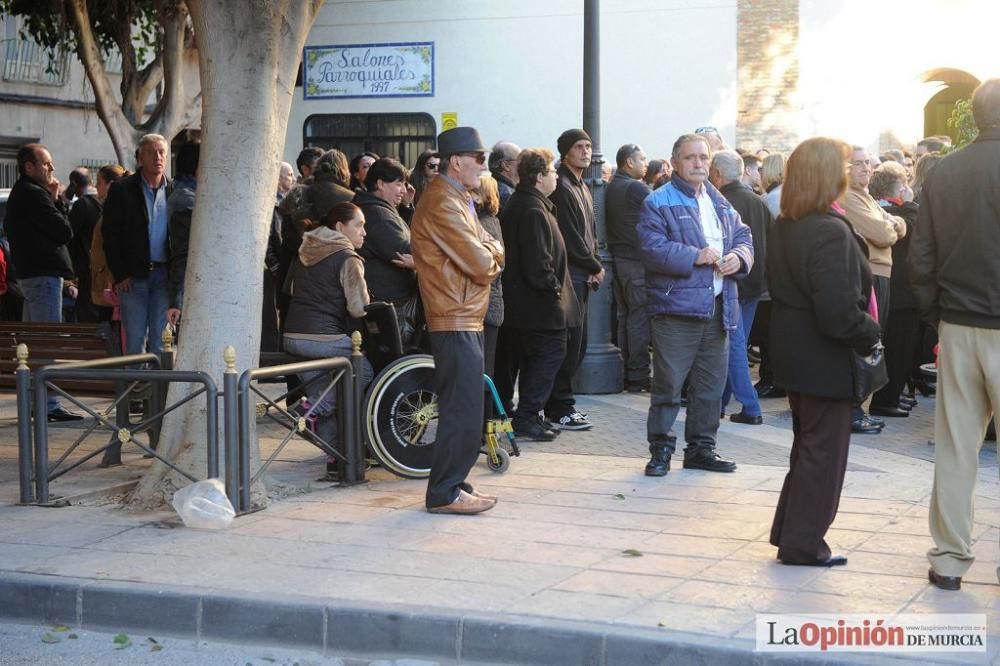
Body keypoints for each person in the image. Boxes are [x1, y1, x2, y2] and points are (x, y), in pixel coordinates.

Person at [767, 136, 881, 567]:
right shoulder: (827, 230)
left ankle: (791, 534)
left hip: (798, 355)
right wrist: (869, 333)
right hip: (822, 357)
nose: (849, 174)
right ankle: (802, 544)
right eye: (845, 167)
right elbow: (836, 311)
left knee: (809, 449)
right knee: (822, 455)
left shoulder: (789, 223)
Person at [909, 79, 1000, 591]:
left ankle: (949, 559)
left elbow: (921, 256)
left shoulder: (945, 172)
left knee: (956, 448)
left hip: (959, 322)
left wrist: (936, 315)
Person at [636, 133, 753, 476]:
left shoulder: (719, 202)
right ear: (675, 162)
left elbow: (745, 237)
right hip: (676, 310)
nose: (699, 163)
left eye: (704, 157)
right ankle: (660, 450)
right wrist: (695, 256)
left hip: (718, 307)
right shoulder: (658, 201)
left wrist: (738, 258)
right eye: (691, 157)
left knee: (710, 387)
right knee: (669, 385)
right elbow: (651, 248)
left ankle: (702, 449)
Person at [411, 126, 504, 515]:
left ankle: (456, 485)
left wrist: (492, 251)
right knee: (461, 409)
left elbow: (494, 245)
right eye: (479, 159)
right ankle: (444, 493)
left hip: (465, 314)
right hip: (454, 314)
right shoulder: (442, 201)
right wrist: (493, 253)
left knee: (466, 407)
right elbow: (485, 262)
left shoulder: (458, 197)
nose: (484, 167)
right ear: (457, 161)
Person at [282, 202, 374, 459]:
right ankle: (307, 410)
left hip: (291, 334)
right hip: (323, 337)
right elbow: (359, 308)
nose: (364, 232)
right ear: (339, 227)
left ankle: (338, 455)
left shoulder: (305, 252)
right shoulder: (348, 257)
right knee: (363, 371)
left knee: (322, 388)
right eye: (359, 225)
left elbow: (290, 291)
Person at [500, 148, 578, 441]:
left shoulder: (531, 204)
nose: (557, 176)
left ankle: (530, 415)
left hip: (531, 308)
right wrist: (554, 292)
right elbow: (538, 264)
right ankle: (527, 416)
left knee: (537, 362)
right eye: (552, 171)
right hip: (539, 309)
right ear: (539, 177)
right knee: (547, 358)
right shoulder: (532, 209)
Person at [4, 143, 82, 421]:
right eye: (46, 163)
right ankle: (47, 405)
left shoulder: (22, 193)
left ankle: (36, 403)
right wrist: (57, 199)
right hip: (42, 278)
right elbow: (64, 232)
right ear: (29, 167)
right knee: (47, 344)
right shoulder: (35, 195)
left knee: (33, 345)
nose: (52, 168)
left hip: (32, 277)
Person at [838, 146, 906, 434]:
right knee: (866, 341)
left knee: (875, 340)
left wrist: (891, 224)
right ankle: (852, 408)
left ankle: (857, 406)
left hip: (882, 273)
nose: (866, 168)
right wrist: (890, 226)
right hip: (870, 273)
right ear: (845, 168)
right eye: (858, 164)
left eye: (868, 163)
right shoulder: (849, 197)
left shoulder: (867, 197)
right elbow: (882, 233)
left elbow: (899, 225)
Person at [545, 128, 604, 431]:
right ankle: (560, 408)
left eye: (589, 146)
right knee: (569, 345)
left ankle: (561, 404)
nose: (586, 151)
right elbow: (570, 237)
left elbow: (589, 233)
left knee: (576, 345)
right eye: (579, 146)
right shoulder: (563, 186)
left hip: (583, 274)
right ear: (566, 151)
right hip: (570, 276)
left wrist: (592, 266)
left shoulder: (582, 185)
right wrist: (595, 265)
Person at [709, 150, 772, 425]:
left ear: (718, 174)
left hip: (732, 282)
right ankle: (720, 403)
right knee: (734, 342)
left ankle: (750, 407)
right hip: (755, 283)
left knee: (733, 345)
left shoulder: (720, 202)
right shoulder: (758, 202)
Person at [102, 133, 172, 355]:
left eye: (162, 152)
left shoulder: (173, 189)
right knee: (135, 341)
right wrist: (120, 274)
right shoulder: (123, 189)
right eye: (151, 152)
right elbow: (110, 235)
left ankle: (159, 390)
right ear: (140, 158)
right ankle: (135, 389)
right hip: (133, 277)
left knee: (162, 341)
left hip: (163, 276)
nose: (158, 157)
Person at [867, 162, 920, 418]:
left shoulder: (875, 208)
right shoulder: (892, 212)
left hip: (892, 287)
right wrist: (910, 203)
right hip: (901, 290)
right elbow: (913, 226)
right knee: (898, 349)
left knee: (895, 347)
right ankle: (886, 399)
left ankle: (892, 395)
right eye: (903, 185)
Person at [352, 157, 419, 343]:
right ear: (380, 184)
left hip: (389, 302)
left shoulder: (377, 209)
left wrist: (405, 207)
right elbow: (404, 250)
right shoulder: (379, 215)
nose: (404, 190)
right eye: (399, 184)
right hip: (392, 305)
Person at [606, 143, 652, 392]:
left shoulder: (613, 186)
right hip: (635, 262)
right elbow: (660, 212)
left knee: (626, 318)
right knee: (638, 319)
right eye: (642, 158)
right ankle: (637, 375)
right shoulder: (635, 187)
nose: (646, 163)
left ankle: (628, 373)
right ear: (629, 163)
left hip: (620, 260)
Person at [166, 142, 199, 319]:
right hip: (187, 282)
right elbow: (182, 252)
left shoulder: (183, 192)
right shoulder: (187, 199)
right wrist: (176, 301)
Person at [67, 168, 102, 322]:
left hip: (86, 265)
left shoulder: (81, 205)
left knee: (87, 308)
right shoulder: (102, 201)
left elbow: (67, 233)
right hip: (102, 265)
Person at [489, 141, 521, 210]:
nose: (523, 165)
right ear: (506, 165)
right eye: (520, 161)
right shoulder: (507, 195)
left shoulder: (491, 188)